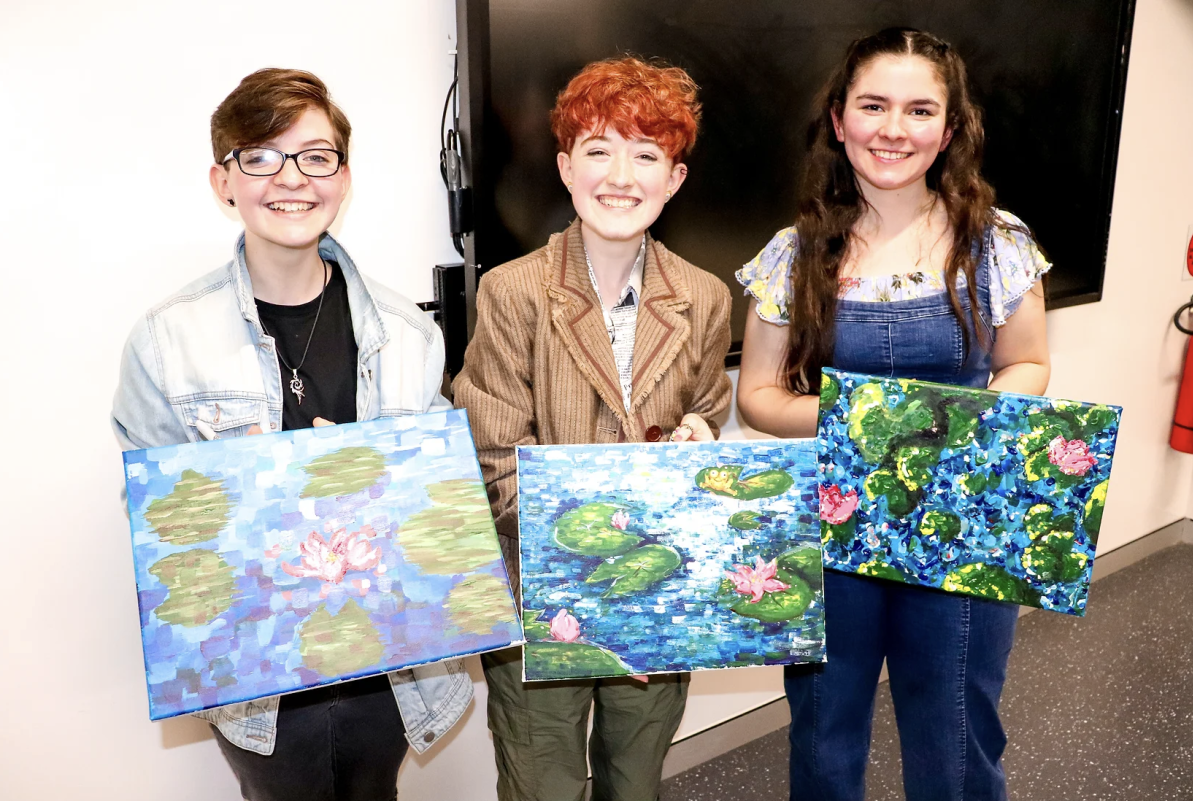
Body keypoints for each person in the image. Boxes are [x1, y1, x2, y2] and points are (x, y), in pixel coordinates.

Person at [111, 68, 472, 801]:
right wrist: (280, 491)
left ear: (342, 177)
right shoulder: (164, 341)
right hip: (260, 691)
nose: (291, 178)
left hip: (389, 673)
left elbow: (441, 511)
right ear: (225, 181)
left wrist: (373, 486)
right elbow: (159, 526)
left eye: (315, 156)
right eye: (261, 155)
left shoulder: (408, 333)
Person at [736, 28, 1052, 801]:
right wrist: (865, 422)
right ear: (839, 119)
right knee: (823, 726)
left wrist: (954, 430)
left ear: (949, 130)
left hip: (961, 517)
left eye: (919, 110)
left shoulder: (996, 242)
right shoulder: (792, 254)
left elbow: (1029, 363)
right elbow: (758, 394)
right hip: (830, 523)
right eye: (873, 105)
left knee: (955, 726)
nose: (893, 129)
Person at [453, 57, 732, 801]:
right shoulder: (510, 292)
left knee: (634, 778)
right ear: (566, 167)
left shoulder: (703, 298)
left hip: (657, 593)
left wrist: (700, 438)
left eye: (647, 154)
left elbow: (708, 403)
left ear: (674, 178)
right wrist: (594, 571)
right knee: (542, 780)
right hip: (538, 597)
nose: (621, 174)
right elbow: (492, 456)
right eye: (599, 149)